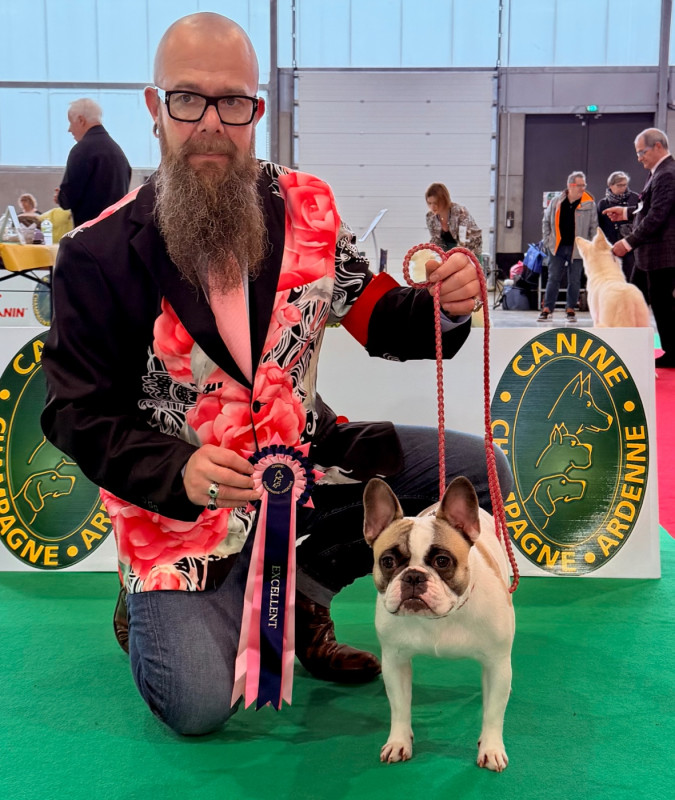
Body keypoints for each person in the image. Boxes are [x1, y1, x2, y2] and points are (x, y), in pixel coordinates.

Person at [40, 12, 512, 737]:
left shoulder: (308, 207)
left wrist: (446, 307)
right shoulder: (96, 254)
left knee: (486, 473)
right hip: (183, 511)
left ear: (257, 110)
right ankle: (146, 597)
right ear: (154, 107)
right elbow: (76, 411)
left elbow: (379, 316)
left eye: (233, 102)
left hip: (306, 467)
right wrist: (179, 470)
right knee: (198, 704)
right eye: (187, 99)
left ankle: (306, 594)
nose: (211, 123)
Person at [604, 128, 675, 369]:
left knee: (661, 304)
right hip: (649, 254)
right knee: (636, 298)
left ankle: (671, 353)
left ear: (658, 146)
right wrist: (625, 213)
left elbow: (657, 216)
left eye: (641, 152)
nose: (639, 158)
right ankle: (629, 347)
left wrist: (627, 243)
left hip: (661, 254)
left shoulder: (667, 173)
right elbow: (648, 209)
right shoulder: (658, 173)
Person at [55, 97, 131, 227]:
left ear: (81, 120)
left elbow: (68, 199)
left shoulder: (81, 150)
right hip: (115, 231)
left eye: (70, 123)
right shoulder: (118, 152)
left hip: (90, 233)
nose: (69, 129)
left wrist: (60, 197)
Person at [539, 171, 597, 323]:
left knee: (575, 280)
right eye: (580, 185)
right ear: (570, 185)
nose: (583, 188)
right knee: (553, 278)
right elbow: (546, 221)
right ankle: (547, 309)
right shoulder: (556, 201)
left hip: (577, 248)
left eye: (584, 185)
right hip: (556, 247)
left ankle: (570, 309)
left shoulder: (589, 204)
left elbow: (593, 227)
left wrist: (590, 246)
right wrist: (547, 240)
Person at [596, 171, 641, 284]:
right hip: (612, 245)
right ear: (610, 185)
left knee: (631, 276)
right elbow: (600, 226)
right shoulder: (603, 204)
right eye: (619, 185)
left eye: (625, 185)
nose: (623, 188)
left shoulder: (635, 198)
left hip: (630, 244)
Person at [425, 182, 482, 257]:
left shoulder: (460, 212)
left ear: (444, 200)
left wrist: (453, 257)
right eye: (429, 203)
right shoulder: (430, 217)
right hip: (448, 251)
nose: (432, 207)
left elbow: (464, 241)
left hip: (470, 249)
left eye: (435, 203)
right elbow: (436, 241)